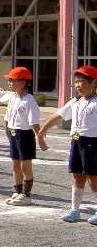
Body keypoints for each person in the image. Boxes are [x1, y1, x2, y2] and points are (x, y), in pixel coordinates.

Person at [38, 65, 97, 225]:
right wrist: (43, 129)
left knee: (93, 177)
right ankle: (75, 210)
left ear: (94, 83)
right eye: (76, 81)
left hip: (92, 143)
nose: (78, 85)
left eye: (83, 81)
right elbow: (58, 115)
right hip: (77, 142)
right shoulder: (76, 101)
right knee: (77, 176)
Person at [2, 67, 46, 206]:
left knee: (25, 166)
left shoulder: (29, 101)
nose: (9, 83)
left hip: (24, 135)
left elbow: (34, 124)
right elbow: (7, 117)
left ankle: (26, 195)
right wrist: (7, 132)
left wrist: (41, 140)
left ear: (22, 82)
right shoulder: (13, 98)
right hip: (14, 133)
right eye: (9, 80)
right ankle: (18, 190)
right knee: (15, 164)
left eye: (12, 80)